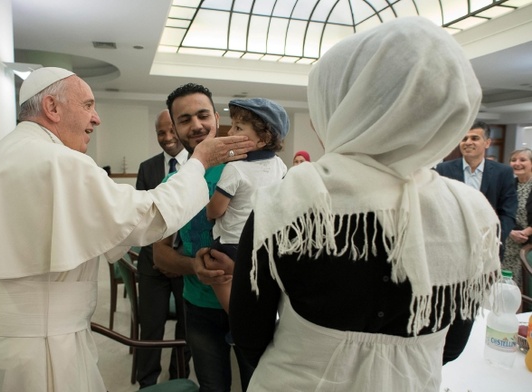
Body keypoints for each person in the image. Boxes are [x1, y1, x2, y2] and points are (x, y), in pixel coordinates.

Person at [217, 17, 500, 392]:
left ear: (347, 107)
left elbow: (249, 336)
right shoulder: (471, 212)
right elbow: (452, 346)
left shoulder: (292, 198)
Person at [0, 68, 254, 392]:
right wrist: (200, 163)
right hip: (31, 347)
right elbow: (147, 218)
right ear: (52, 108)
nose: (96, 118)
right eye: (88, 105)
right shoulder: (58, 160)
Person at [153, 83, 253, 392]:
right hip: (199, 307)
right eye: (185, 119)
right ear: (175, 127)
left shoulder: (253, 167)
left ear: (215, 117)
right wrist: (193, 266)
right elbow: (160, 254)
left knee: (260, 384)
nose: (196, 125)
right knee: (213, 387)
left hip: (253, 302)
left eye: (202, 115)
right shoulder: (175, 182)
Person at [206, 98, 289, 312]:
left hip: (231, 243)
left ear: (263, 139)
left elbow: (216, 209)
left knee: (220, 277)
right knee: (254, 291)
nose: (230, 132)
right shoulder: (279, 165)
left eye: (238, 127)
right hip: (261, 241)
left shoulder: (235, 169)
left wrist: (208, 211)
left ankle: (235, 322)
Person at [134, 109, 190, 387]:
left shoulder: (198, 166)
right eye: (160, 133)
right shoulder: (147, 168)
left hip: (187, 263)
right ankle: (147, 383)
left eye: (171, 131)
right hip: (152, 263)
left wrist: (177, 260)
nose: (167, 137)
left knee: (188, 326)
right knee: (151, 328)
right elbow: (142, 219)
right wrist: (160, 257)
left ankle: (179, 378)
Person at [435, 121, 516, 259]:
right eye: (464, 138)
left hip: (488, 246)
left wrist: (494, 238)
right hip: (453, 245)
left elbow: (508, 212)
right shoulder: (443, 169)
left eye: (475, 138)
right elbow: (439, 207)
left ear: (487, 143)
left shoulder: (503, 172)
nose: (468, 142)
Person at [503, 148, 532, 288]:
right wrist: (510, 231)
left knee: (527, 286)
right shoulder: (508, 185)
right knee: (508, 286)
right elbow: (499, 211)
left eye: (522, 160)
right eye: (513, 160)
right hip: (509, 244)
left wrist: (527, 232)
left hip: (529, 245)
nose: (517, 163)